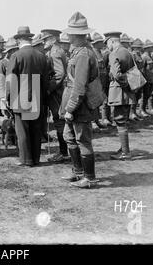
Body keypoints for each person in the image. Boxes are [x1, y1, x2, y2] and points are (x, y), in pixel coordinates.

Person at [59, 12, 99, 188]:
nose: (67, 36)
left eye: (70, 33)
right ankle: (78, 172)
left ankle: (89, 178)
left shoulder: (83, 54)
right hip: (73, 104)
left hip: (79, 106)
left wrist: (70, 109)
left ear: (77, 35)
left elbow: (80, 86)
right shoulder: (78, 51)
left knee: (82, 140)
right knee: (69, 136)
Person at [6, 25, 49, 167]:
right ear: (30, 39)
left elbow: (11, 80)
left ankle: (26, 159)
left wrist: (8, 98)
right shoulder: (41, 56)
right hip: (38, 97)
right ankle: (36, 158)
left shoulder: (16, 56)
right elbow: (45, 80)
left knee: (22, 131)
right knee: (36, 129)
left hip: (20, 97)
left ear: (18, 41)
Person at [106, 32, 135, 160]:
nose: (107, 47)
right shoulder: (127, 52)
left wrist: (124, 84)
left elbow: (116, 75)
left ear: (112, 41)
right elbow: (133, 72)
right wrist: (128, 85)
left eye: (107, 43)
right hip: (128, 92)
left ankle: (125, 153)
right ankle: (123, 148)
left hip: (119, 92)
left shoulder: (114, 53)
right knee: (123, 120)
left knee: (120, 121)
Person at [42, 29, 69, 162]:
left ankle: (64, 153)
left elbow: (59, 73)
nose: (43, 42)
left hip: (57, 93)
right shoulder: (55, 51)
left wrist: (48, 89)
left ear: (53, 39)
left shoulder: (55, 52)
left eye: (45, 39)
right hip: (58, 92)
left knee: (59, 121)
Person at [91, 32, 111, 127]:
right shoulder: (92, 53)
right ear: (95, 43)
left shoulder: (100, 53)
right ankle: (93, 122)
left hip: (102, 81)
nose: (102, 44)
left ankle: (98, 120)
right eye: (100, 42)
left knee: (101, 101)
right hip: (96, 82)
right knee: (94, 102)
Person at [129, 39, 146, 119]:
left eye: (140, 47)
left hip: (140, 77)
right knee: (134, 96)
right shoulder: (132, 55)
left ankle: (135, 112)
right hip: (134, 77)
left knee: (138, 95)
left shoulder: (140, 55)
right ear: (133, 48)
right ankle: (132, 113)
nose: (138, 49)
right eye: (137, 47)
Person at [141, 39, 153, 115]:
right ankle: (142, 110)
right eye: (150, 47)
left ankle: (146, 109)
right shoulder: (144, 57)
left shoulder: (150, 56)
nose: (152, 48)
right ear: (147, 48)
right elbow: (142, 69)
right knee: (144, 95)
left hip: (151, 78)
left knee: (148, 94)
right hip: (146, 79)